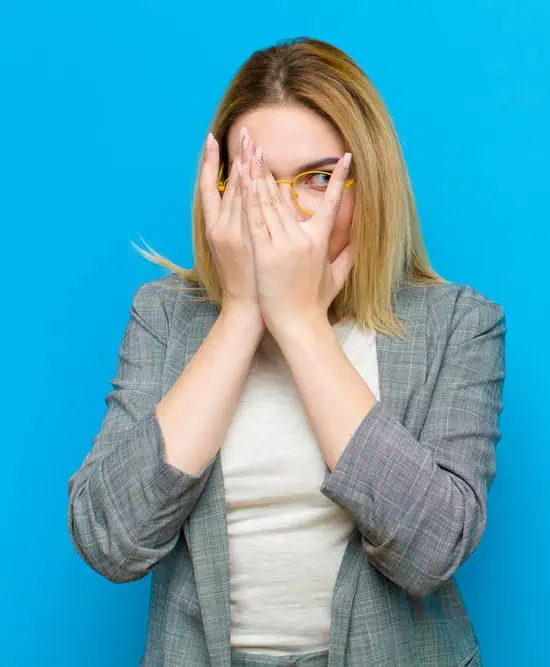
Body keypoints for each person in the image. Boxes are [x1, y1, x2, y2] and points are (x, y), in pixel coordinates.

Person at [67, 37, 505, 667]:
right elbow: (111, 540)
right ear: (219, 189)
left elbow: (432, 550)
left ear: (368, 185)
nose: (288, 211)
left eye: (320, 179)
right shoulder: (165, 316)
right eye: (257, 180)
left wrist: (301, 325)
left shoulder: (458, 324)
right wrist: (244, 315)